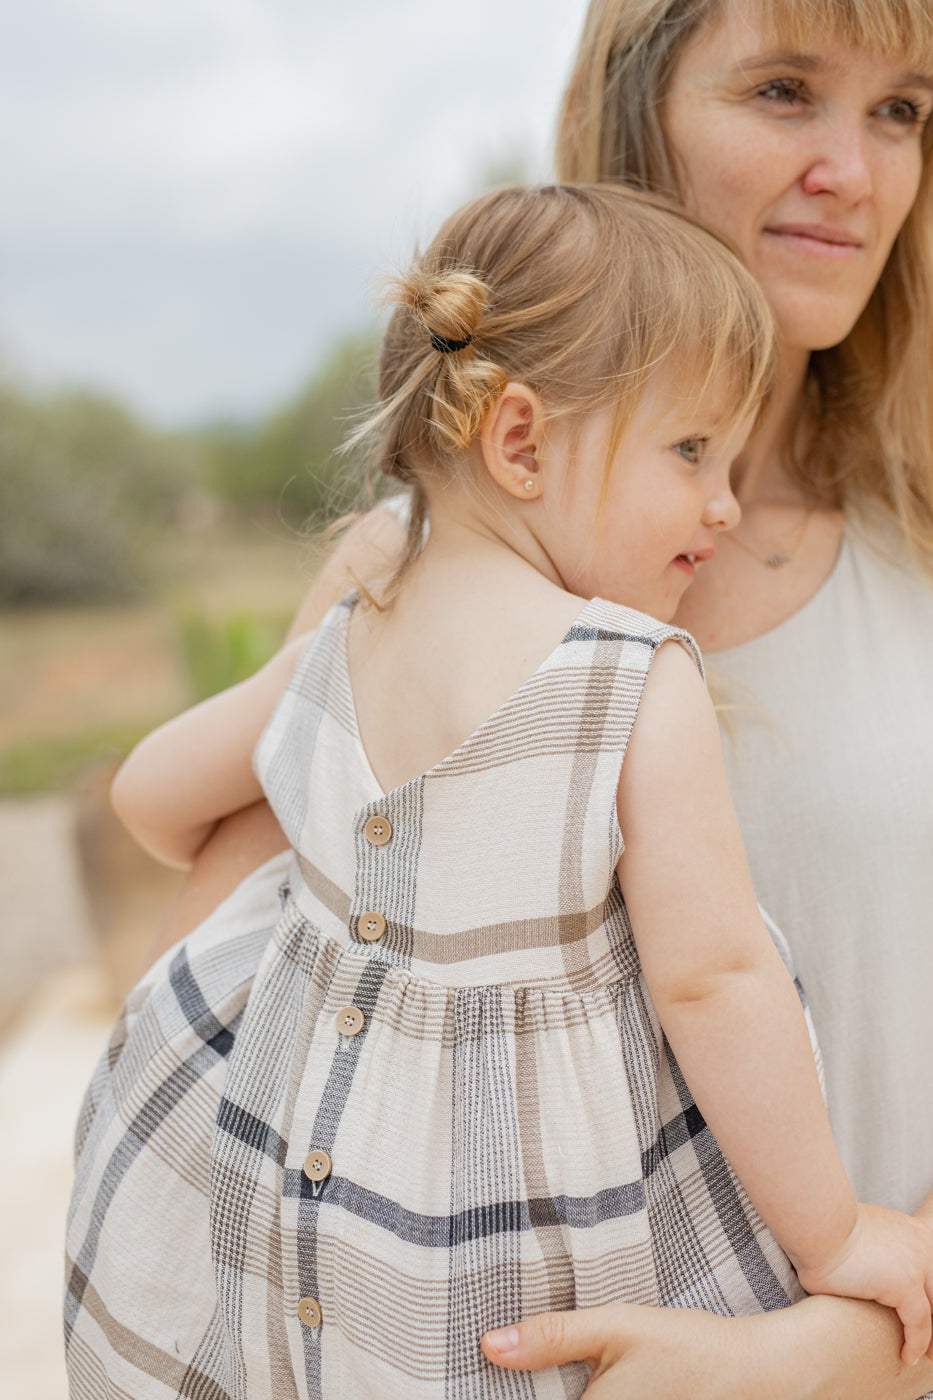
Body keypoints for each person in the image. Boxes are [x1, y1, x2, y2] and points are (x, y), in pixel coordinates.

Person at [82, 0, 933, 1394]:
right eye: (784, 90)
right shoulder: (405, 580)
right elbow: (228, 977)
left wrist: (808, 1360)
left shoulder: (395, 611)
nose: (856, 168)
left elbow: (157, 803)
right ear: (638, 110)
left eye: (901, 109)